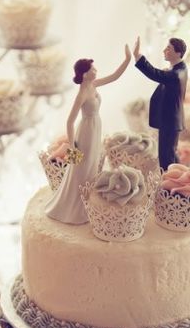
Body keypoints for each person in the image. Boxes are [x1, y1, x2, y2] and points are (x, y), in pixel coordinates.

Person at [45, 45, 131, 224]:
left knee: (92, 166)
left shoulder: (94, 84)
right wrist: (72, 146)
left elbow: (115, 76)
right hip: (84, 132)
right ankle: (73, 210)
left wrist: (127, 59)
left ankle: (87, 205)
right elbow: (69, 121)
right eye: (93, 69)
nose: (96, 71)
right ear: (84, 74)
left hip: (95, 127)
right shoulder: (82, 93)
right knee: (80, 169)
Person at [133, 36, 188, 170]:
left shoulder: (176, 74)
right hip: (169, 120)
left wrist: (138, 57)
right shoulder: (178, 69)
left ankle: (170, 186)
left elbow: (155, 74)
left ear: (178, 53)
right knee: (170, 155)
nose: (164, 51)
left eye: (168, 48)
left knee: (166, 158)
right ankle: (176, 181)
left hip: (170, 122)